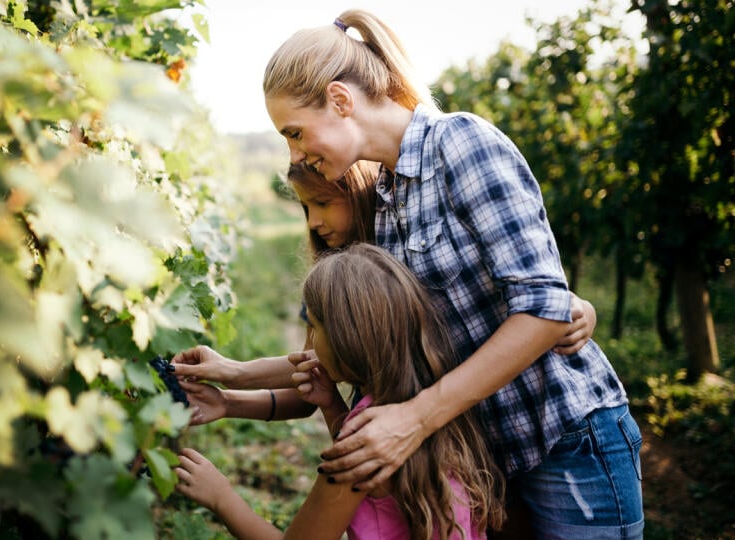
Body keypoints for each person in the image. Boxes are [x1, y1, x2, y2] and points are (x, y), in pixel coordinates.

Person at [252, 8, 643, 539]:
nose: (296, 153)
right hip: (492, 457)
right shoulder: (385, 202)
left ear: (341, 100)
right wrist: (229, 379)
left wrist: (416, 417)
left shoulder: (460, 145)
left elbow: (544, 308)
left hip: (563, 440)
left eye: (295, 132)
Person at [176, 162, 596, 426]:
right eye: (305, 209)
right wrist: (229, 385)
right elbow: (313, 371)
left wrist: (577, 306)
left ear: (359, 192)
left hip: (472, 431)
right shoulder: (332, 275)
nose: (314, 222)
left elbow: (505, 294)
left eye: (322, 203)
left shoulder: (398, 259)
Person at [175, 243, 505, 539]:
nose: (309, 341)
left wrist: (221, 497)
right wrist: (333, 407)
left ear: (346, 342)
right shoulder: (432, 404)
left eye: (314, 326)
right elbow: (382, 500)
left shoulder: (360, 444)